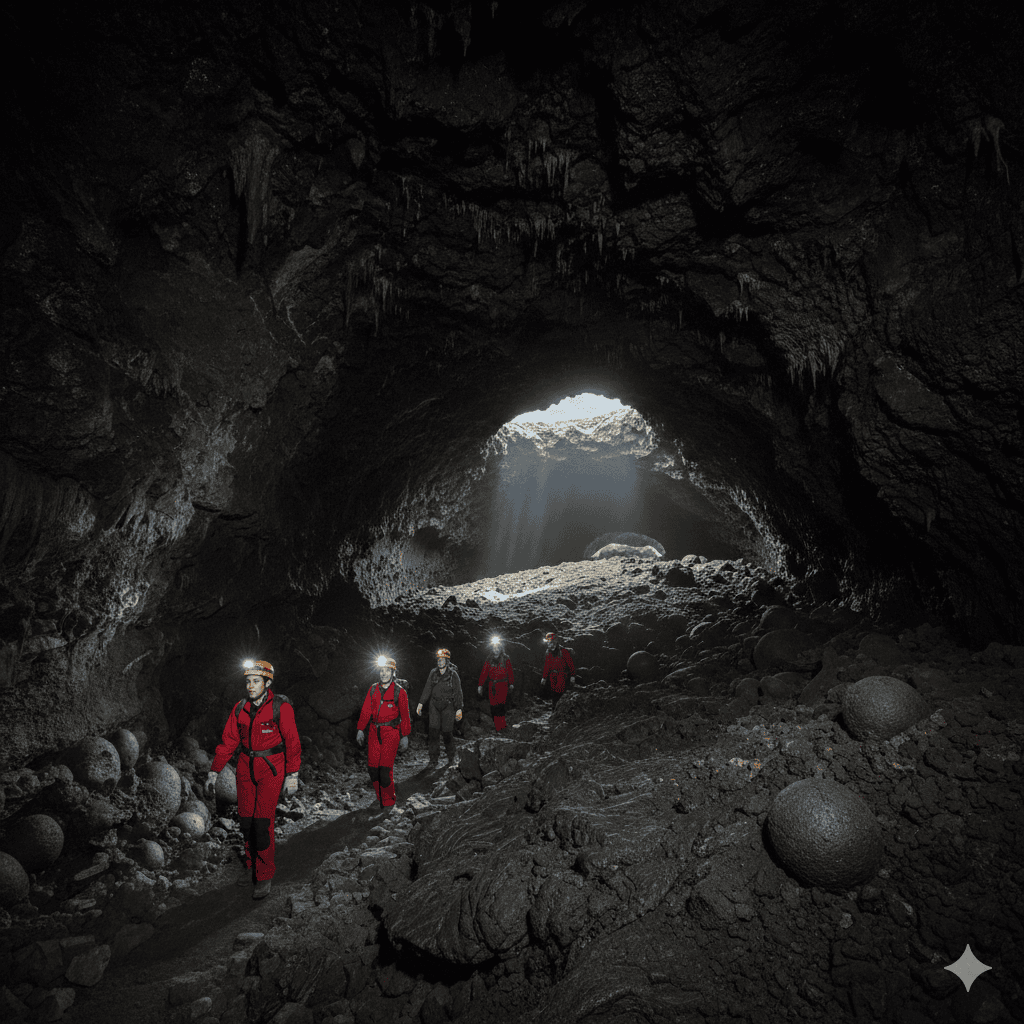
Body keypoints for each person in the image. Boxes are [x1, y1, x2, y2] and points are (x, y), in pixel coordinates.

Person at [207, 659, 301, 900]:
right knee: (246, 822)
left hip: (271, 768)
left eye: (256, 681)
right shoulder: (241, 708)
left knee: (262, 823)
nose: (250, 686)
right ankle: (251, 866)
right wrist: (214, 771)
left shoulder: (281, 708)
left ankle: (265, 873)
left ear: (267, 683)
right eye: (248, 681)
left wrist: (292, 775)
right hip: (245, 767)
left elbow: (292, 742)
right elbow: (229, 741)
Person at [355, 656, 412, 814]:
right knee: (373, 769)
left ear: (393, 672)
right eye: (381, 670)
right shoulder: (373, 689)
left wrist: (405, 736)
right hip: (374, 731)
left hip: (391, 732)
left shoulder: (400, 692)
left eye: (387, 670)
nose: (384, 673)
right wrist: (360, 729)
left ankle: (389, 801)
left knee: (385, 770)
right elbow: (366, 710)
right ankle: (380, 797)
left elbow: (405, 716)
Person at [416, 648, 463, 767]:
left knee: (447, 732)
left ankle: (451, 758)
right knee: (433, 732)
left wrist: (459, 709)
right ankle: (433, 759)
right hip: (434, 705)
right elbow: (427, 688)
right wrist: (421, 703)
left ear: (447, 661)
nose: (440, 661)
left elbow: (458, 692)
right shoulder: (433, 672)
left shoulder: (453, 674)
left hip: (448, 705)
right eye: (438, 659)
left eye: (442, 659)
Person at [478, 635, 514, 732]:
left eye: (498, 648)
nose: (496, 650)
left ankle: (502, 726)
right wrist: (480, 685)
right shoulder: (489, 659)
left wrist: (511, 683)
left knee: (501, 705)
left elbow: (510, 671)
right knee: (493, 706)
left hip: (503, 685)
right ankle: (497, 726)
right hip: (492, 686)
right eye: (494, 648)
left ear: (501, 648)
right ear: (492, 649)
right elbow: (484, 672)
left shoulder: (505, 658)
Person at [541, 631, 576, 710]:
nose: (548, 644)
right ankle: (554, 710)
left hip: (562, 676)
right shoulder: (548, 652)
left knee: (560, 694)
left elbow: (571, 665)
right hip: (553, 676)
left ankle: (559, 710)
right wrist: (544, 677)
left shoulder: (563, 651)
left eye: (549, 642)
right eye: (547, 642)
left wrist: (573, 676)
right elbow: (547, 666)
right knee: (554, 694)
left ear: (554, 642)